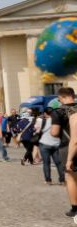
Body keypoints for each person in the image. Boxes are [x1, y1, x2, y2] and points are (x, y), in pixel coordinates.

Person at [52, 87, 77, 216]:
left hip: (67, 146)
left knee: (71, 177)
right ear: (73, 95)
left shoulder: (58, 112)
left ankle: (75, 208)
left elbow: (55, 132)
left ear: (61, 98)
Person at [36, 108, 64, 186]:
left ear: (45, 113)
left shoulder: (43, 120)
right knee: (58, 163)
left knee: (46, 163)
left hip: (44, 143)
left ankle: (48, 180)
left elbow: (37, 130)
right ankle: (62, 180)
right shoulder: (59, 120)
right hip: (56, 144)